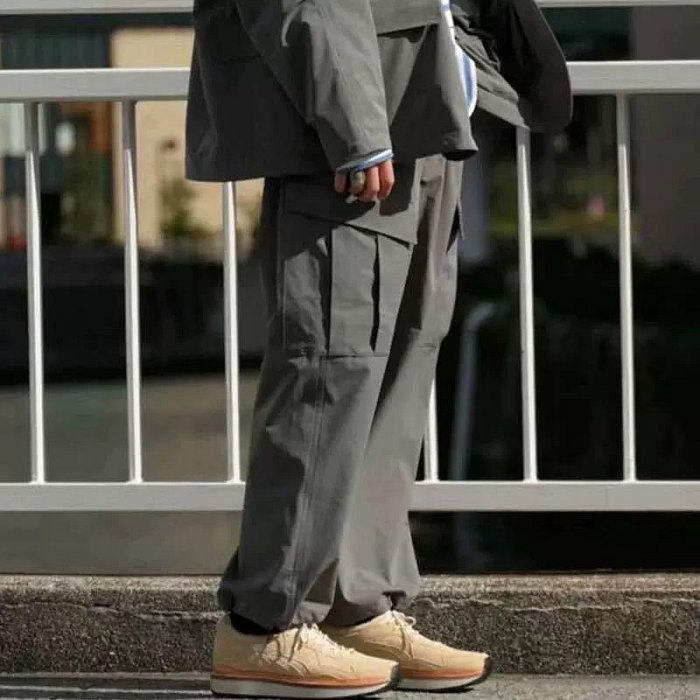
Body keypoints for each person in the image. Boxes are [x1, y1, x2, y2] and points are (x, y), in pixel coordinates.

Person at [186, 1, 571, 697]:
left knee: (400, 361)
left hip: (425, 107)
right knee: (329, 366)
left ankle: (354, 607)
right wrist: (354, 125)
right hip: (351, 121)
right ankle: (263, 624)